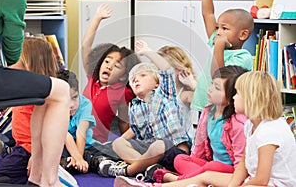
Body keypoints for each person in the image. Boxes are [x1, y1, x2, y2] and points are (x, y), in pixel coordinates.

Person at [114, 71, 296, 187]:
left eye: (238, 94)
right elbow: (243, 164)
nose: (234, 98)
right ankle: (153, 186)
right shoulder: (252, 125)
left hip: (268, 184)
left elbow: (262, 179)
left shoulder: (269, 131)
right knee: (207, 175)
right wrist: (233, 184)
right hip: (252, 181)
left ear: (252, 99)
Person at [98, 40, 191, 178]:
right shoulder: (135, 107)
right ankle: (149, 169)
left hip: (173, 149)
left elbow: (166, 70)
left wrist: (148, 52)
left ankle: (129, 171)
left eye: (142, 76)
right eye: (133, 79)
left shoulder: (165, 94)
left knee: (158, 145)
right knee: (119, 143)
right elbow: (136, 134)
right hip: (150, 152)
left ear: (157, 83)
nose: (136, 80)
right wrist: (110, 146)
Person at [152, 65, 248, 183]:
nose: (210, 89)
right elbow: (199, 146)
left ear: (230, 97)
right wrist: (192, 161)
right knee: (179, 159)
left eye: (217, 88)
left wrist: (236, 181)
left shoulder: (237, 123)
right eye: (212, 83)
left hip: (230, 170)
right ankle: (198, 180)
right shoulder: (208, 111)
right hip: (209, 166)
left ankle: (178, 180)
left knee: (212, 167)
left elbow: (241, 162)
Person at [0, 37, 69, 186]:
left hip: (26, 151)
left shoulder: (41, 100)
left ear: (29, 64)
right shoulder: (25, 94)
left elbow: (58, 133)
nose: (9, 65)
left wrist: (35, 157)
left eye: (15, 60)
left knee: (2, 172)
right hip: (21, 146)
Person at [190, 0, 254, 120]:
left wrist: (218, 45)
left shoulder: (243, 57)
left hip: (223, 108)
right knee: (203, 137)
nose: (218, 32)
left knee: (218, 138)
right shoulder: (218, 41)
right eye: (218, 27)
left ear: (243, 34)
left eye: (224, 28)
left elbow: (218, 76)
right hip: (205, 104)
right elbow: (208, 14)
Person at [81, 3, 141, 143]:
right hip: (74, 134)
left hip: (94, 142)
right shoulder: (92, 80)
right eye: (107, 61)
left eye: (117, 66)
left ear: (123, 76)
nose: (109, 67)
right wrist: (96, 18)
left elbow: (123, 121)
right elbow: (85, 46)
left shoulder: (122, 92)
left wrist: (127, 144)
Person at [56, 69, 100, 174]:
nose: (72, 105)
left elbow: (81, 132)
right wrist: (78, 158)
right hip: (62, 145)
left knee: (106, 150)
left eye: (75, 97)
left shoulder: (85, 104)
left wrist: (78, 158)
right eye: (67, 100)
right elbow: (65, 135)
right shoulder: (54, 107)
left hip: (85, 145)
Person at [157, 46, 197, 144]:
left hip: (179, 145)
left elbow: (207, 101)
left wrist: (193, 84)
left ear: (179, 70)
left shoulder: (184, 95)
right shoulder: (157, 92)